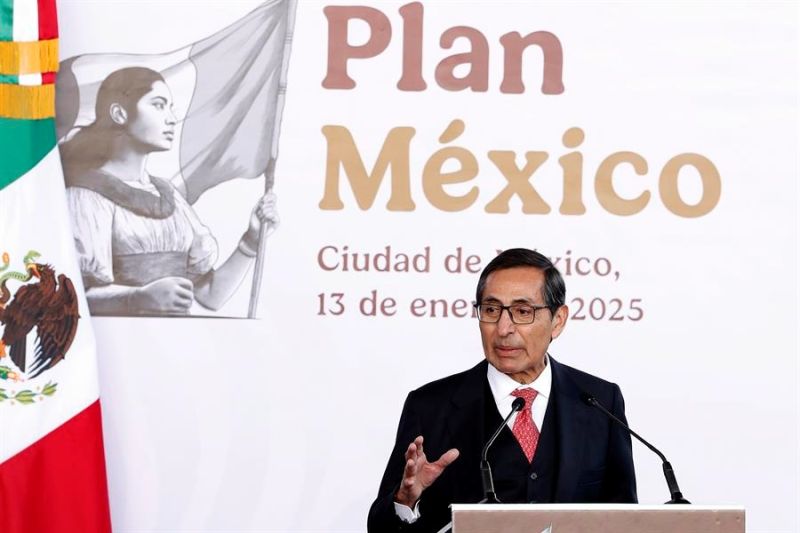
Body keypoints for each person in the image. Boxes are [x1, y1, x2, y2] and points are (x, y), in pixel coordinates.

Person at [367, 248, 637, 532]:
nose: (503, 328)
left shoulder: (599, 402)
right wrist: (406, 500)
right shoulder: (431, 406)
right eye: (491, 310)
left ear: (558, 321)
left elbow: (626, 518)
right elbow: (380, 528)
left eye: (523, 312)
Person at [59, 67, 278, 316]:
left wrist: (251, 239)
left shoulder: (169, 195)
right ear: (119, 113)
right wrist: (138, 298)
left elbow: (210, 296)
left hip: (175, 346)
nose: (172, 118)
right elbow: (70, 297)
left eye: (170, 106)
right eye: (159, 105)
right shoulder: (86, 195)